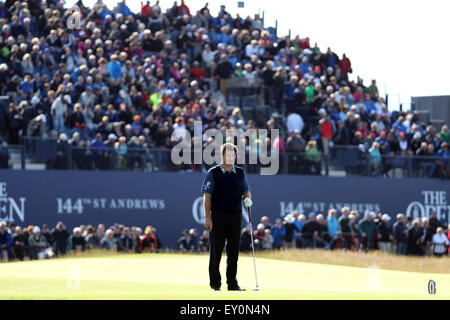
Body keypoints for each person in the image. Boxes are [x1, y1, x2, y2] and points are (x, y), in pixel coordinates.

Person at [202, 142, 252, 291]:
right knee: (216, 252)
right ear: (222, 155)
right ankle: (215, 284)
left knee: (233, 253)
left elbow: (246, 190)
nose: (230, 157)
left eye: (233, 155)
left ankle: (232, 284)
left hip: (235, 216)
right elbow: (207, 197)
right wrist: (207, 217)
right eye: (227, 154)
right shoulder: (214, 172)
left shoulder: (240, 172)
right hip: (218, 216)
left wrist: (248, 199)